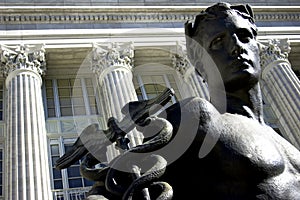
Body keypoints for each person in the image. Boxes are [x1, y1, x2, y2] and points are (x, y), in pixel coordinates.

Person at [157, 2, 300, 199]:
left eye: (244, 36)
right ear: (200, 66)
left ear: (257, 47)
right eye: (217, 42)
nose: (236, 47)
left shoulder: (288, 145)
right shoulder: (195, 119)